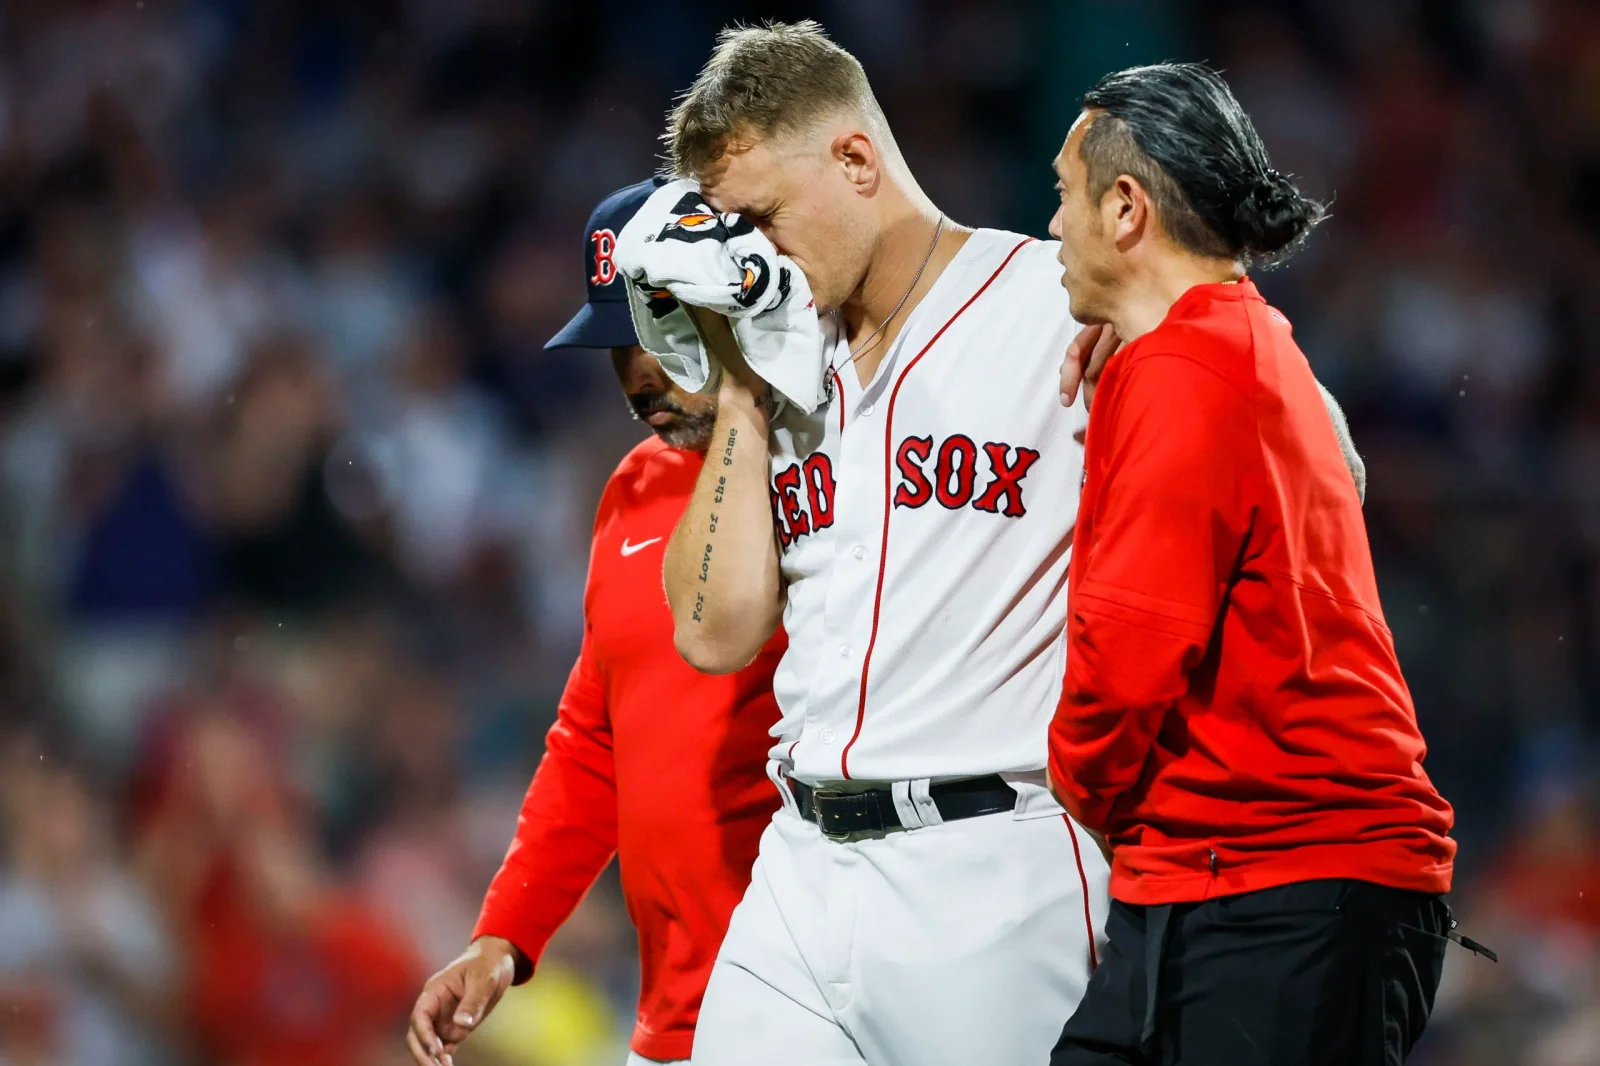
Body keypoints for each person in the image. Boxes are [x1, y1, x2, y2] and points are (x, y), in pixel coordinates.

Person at [656, 22, 1110, 1066]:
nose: (749, 255)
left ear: (856, 159)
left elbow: (1295, 444)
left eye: (761, 218)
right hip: (799, 867)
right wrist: (740, 388)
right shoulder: (781, 359)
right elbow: (712, 634)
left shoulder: (1055, 302)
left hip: (996, 874)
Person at [1044, 63, 1463, 1065]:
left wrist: (1073, 789)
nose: (1053, 224)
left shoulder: (1185, 371)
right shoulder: (1238, 342)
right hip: (1235, 878)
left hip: (1288, 886)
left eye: (1063, 194)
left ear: (1125, 208)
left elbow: (1123, 666)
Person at [404, 178, 786, 1066]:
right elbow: (592, 740)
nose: (638, 374)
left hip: (815, 981)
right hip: (676, 1006)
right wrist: (505, 934)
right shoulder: (634, 487)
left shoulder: (829, 467)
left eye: (662, 330)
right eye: (619, 344)